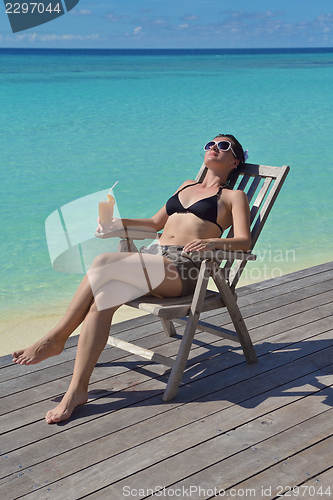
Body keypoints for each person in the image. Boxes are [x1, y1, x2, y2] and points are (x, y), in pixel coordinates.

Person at [12, 134, 251, 424]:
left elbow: (244, 242)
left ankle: (57, 337)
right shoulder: (186, 186)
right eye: (210, 144)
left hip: (185, 269)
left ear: (235, 160)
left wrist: (213, 242)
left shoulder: (232, 197)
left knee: (102, 262)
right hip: (154, 259)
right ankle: (77, 390)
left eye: (223, 146)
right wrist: (116, 225)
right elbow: (153, 224)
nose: (214, 148)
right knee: (102, 299)